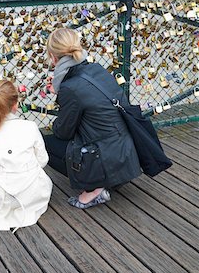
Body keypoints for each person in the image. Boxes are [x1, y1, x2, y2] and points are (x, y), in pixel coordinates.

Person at [44, 27, 141, 209]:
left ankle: (95, 188)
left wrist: (61, 97)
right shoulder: (96, 69)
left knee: (43, 143)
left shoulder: (69, 87)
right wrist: (62, 93)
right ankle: (110, 178)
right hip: (127, 155)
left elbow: (62, 132)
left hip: (107, 157)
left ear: (53, 57)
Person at [0, 79, 53, 231]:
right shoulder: (30, 127)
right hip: (33, 194)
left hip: (0, 197)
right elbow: (43, 160)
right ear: (15, 105)